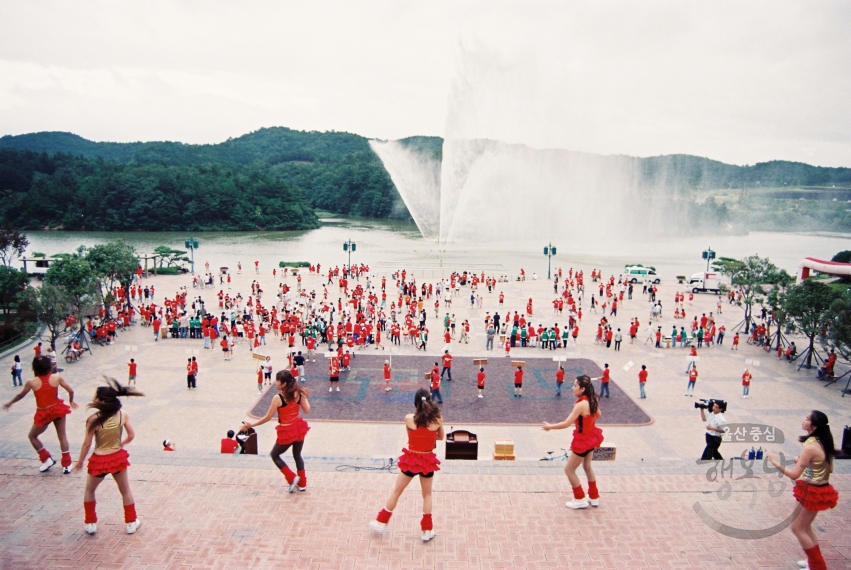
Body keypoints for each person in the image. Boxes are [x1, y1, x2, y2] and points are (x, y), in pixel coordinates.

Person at [369, 388, 443, 542]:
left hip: (411, 459)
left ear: (415, 402)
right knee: (427, 495)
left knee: (397, 491)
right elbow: (441, 437)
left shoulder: (409, 419)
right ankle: (426, 530)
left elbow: (410, 436)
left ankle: (381, 521)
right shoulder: (437, 419)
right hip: (427, 460)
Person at [767, 411, 838, 570]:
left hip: (811, 491)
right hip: (819, 489)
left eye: (807, 419)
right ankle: (813, 561)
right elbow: (830, 468)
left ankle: (817, 565)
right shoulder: (824, 442)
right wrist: (807, 463)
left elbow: (794, 474)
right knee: (805, 527)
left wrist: (774, 462)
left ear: (813, 426)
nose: (803, 420)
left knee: (797, 528)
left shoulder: (811, 447)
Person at [72, 378, 144, 535]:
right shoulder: (122, 415)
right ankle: (131, 522)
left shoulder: (93, 419)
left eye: (96, 397)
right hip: (117, 457)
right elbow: (131, 435)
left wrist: (80, 462)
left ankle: (90, 522)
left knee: (90, 490)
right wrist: (121, 445)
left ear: (102, 402)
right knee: (125, 490)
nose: (93, 399)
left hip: (99, 461)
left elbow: (86, 444)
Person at [3, 355, 78, 473]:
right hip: (57, 409)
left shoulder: (31, 382)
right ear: (49, 366)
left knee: (32, 436)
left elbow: (20, 395)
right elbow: (71, 390)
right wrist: (71, 400)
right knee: (62, 436)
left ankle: (46, 458)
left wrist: (10, 403)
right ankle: (67, 464)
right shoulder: (57, 378)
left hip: (43, 412)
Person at [240, 370, 310, 492]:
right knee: (297, 455)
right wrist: (304, 396)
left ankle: (291, 477)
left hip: (286, 431)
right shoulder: (298, 393)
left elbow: (267, 417)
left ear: (283, 384)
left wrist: (252, 424)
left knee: (275, 454)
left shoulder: (278, 398)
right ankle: (302, 483)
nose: (275, 382)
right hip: (298, 428)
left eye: (277, 380)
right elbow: (307, 410)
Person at [542, 375, 604, 509]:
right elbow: (598, 414)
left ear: (582, 389)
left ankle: (580, 498)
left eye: (575, 386)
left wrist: (550, 427)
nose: (572, 388)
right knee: (587, 467)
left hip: (582, 441)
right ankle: (594, 497)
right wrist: (589, 423)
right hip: (592, 437)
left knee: (569, 470)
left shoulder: (580, 405)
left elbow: (566, 423)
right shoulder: (591, 400)